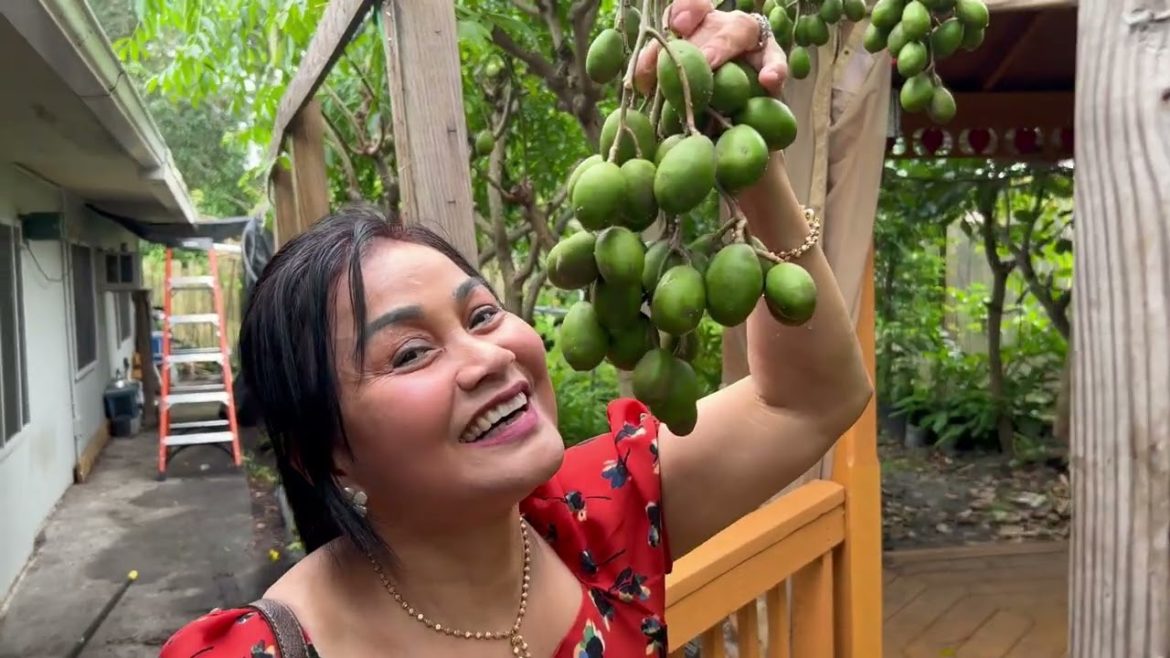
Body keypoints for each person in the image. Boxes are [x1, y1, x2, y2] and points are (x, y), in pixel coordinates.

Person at [159, 1, 872, 656]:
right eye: (410, 353)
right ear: (324, 455)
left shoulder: (596, 524)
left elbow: (808, 399)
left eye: (482, 315)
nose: (487, 358)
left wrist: (735, 138)